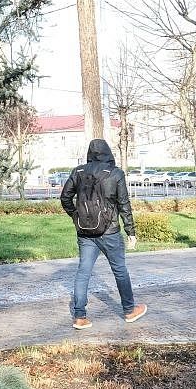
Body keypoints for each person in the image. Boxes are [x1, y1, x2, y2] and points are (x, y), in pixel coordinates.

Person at [60, 138, 147, 329]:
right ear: (108, 152)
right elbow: (124, 204)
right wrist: (131, 231)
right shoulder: (115, 173)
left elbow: (65, 197)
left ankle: (80, 317)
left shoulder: (79, 171)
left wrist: (75, 216)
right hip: (110, 231)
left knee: (83, 272)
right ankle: (129, 310)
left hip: (85, 232)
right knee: (120, 270)